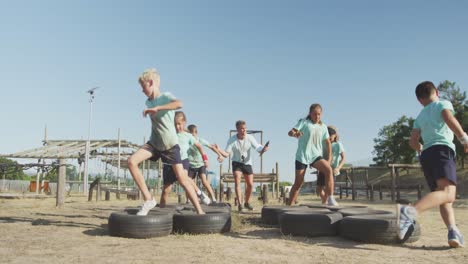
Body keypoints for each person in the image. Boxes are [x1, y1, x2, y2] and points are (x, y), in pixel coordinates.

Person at [399, 81, 467, 248]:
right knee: (448, 193)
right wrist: (464, 138)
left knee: (443, 197)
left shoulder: (420, 116)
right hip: (442, 150)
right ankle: (410, 212)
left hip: (427, 155)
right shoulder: (442, 103)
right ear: (436, 92)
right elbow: (448, 118)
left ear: (419, 100)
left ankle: (453, 231)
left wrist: (420, 147)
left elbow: (413, 141)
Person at [127, 68, 204, 215]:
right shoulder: (148, 101)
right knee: (131, 162)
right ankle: (149, 199)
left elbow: (179, 104)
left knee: (182, 179)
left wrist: (158, 108)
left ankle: (200, 211)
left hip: (169, 145)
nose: (142, 91)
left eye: (143, 87)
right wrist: (152, 108)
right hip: (154, 143)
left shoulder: (165, 97)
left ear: (151, 83)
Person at [159, 111, 213, 207]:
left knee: (184, 178)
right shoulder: (169, 134)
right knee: (166, 190)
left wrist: (205, 159)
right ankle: (161, 209)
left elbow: (199, 146)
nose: (177, 127)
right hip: (169, 164)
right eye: (175, 124)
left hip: (183, 161)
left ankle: (199, 193)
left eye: (179, 124)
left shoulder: (188, 136)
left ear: (184, 123)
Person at [287, 103, 338, 206]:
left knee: (328, 169)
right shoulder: (304, 122)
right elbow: (290, 132)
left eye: (319, 114)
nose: (317, 116)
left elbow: (328, 143)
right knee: (298, 183)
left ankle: (330, 199)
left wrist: (329, 158)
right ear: (310, 113)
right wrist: (295, 133)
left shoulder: (323, 127)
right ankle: (289, 205)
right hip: (302, 156)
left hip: (316, 156)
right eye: (315, 114)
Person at [216, 120, 269, 211]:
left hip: (247, 163)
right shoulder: (232, 140)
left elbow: (258, 148)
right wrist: (218, 150)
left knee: (250, 185)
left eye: (245, 128)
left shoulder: (250, 138)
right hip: (237, 163)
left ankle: (247, 202)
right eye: (242, 129)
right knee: (237, 180)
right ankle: (240, 204)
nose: (244, 131)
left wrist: (264, 149)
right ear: (237, 129)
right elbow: (226, 154)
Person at [187, 124, 224, 202]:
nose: (190, 136)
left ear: (195, 133)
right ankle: (189, 200)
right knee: (189, 182)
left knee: (204, 181)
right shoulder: (187, 140)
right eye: (188, 134)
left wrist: (219, 154)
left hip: (200, 164)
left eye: (191, 134)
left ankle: (213, 198)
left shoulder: (200, 140)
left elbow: (211, 147)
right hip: (191, 165)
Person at [316, 126, 346, 204]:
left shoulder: (338, 144)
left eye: (331, 136)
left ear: (335, 135)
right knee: (319, 189)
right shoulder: (323, 144)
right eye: (327, 136)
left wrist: (338, 168)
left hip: (333, 169)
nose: (329, 137)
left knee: (328, 188)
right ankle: (324, 200)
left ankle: (326, 201)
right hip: (323, 168)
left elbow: (343, 158)